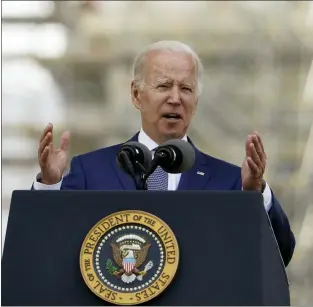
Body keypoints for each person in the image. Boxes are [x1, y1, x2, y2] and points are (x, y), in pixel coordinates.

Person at [33, 40, 295, 266]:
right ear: (137, 95)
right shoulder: (91, 171)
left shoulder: (231, 182)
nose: (175, 98)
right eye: (163, 86)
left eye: (186, 89)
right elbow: (44, 247)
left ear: (196, 102)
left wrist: (255, 194)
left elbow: (279, 255)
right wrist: (49, 186)